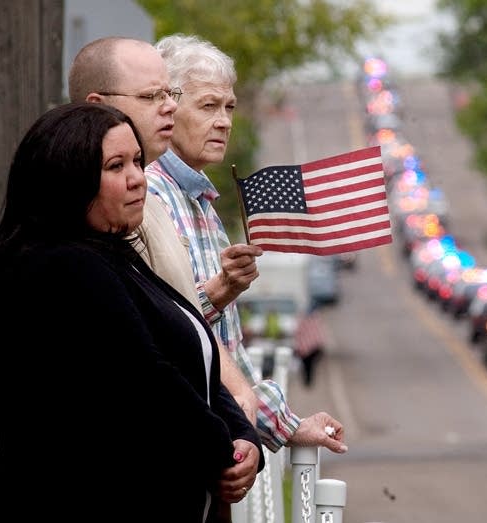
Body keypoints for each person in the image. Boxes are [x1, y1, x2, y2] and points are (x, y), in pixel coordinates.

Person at [0, 102, 263, 522]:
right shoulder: (62, 264)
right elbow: (148, 380)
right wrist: (224, 451)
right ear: (68, 179)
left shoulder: (116, 255)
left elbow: (191, 364)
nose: (137, 179)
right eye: (115, 166)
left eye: (138, 162)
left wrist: (246, 441)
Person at [145, 34, 346, 453]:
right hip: (173, 440)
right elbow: (158, 324)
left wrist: (287, 426)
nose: (224, 121)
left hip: (214, 440)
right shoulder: (145, 194)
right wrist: (222, 289)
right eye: (208, 106)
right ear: (167, 106)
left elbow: (227, 351)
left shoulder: (199, 202)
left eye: (229, 106)